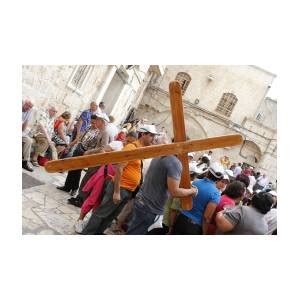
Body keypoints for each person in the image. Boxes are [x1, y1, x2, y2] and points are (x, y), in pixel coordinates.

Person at [81, 124, 159, 234]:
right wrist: (116, 192)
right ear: (143, 134)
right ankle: (87, 234)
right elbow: (119, 168)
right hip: (120, 188)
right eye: (151, 135)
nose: (153, 138)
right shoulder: (131, 148)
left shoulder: (139, 149)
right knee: (102, 213)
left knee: (110, 217)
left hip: (127, 190)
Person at [126, 155, 197, 235]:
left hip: (142, 201)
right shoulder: (174, 163)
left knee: (133, 230)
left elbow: (164, 180)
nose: (188, 160)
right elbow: (174, 192)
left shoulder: (161, 154)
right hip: (150, 208)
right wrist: (192, 191)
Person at [57, 113, 109, 196]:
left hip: (86, 152)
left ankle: (74, 188)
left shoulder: (99, 132)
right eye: (92, 122)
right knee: (71, 168)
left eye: (95, 122)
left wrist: (89, 152)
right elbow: (79, 138)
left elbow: (101, 147)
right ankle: (67, 186)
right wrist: (69, 145)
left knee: (77, 170)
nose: (93, 124)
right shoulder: (88, 128)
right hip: (79, 149)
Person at [172, 162, 224, 235]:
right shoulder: (215, 194)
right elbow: (206, 217)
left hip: (181, 219)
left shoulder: (195, 182)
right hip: (193, 227)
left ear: (208, 172)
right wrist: (204, 233)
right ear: (219, 179)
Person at [22, 98, 35, 171]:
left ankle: (24, 162)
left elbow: (24, 127)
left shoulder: (29, 111)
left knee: (29, 140)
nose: (28, 108)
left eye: (31, 107)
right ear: (24, 103)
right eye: (28, 105)